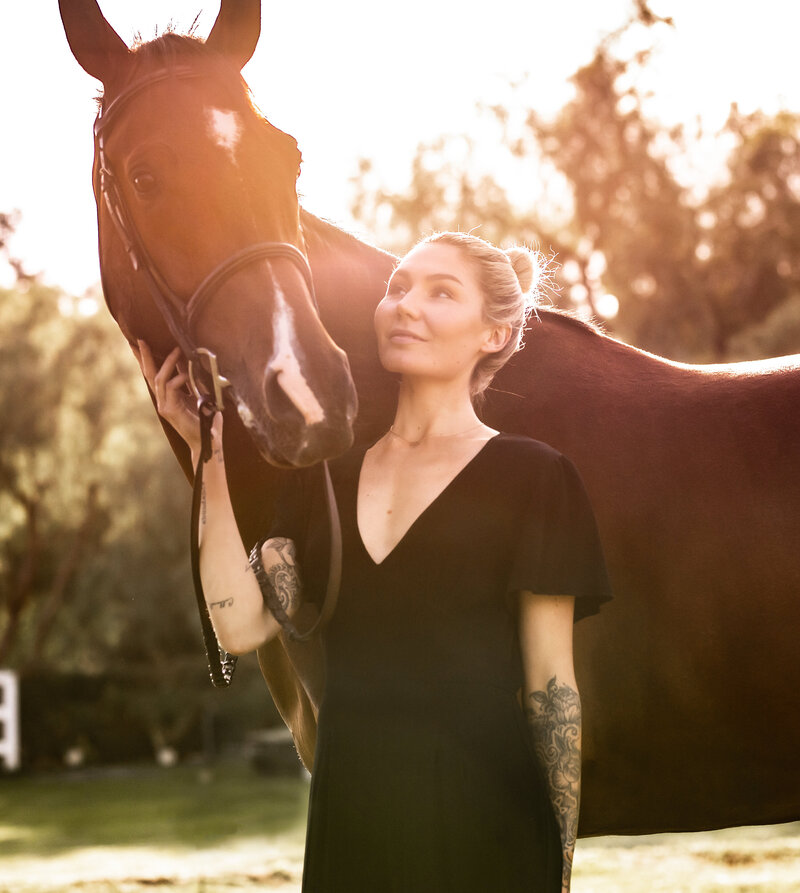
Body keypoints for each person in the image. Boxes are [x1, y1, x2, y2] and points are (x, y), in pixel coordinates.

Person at [136, 231, 612, 893]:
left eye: (440, 292)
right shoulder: (323, 480)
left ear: (495, 335)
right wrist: (206, 452)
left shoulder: (536, 479)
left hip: (489, 836)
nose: (405, 305)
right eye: (398, 287)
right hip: (351, 834)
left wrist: (556, 867)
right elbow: (239, 626)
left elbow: (551, 691)